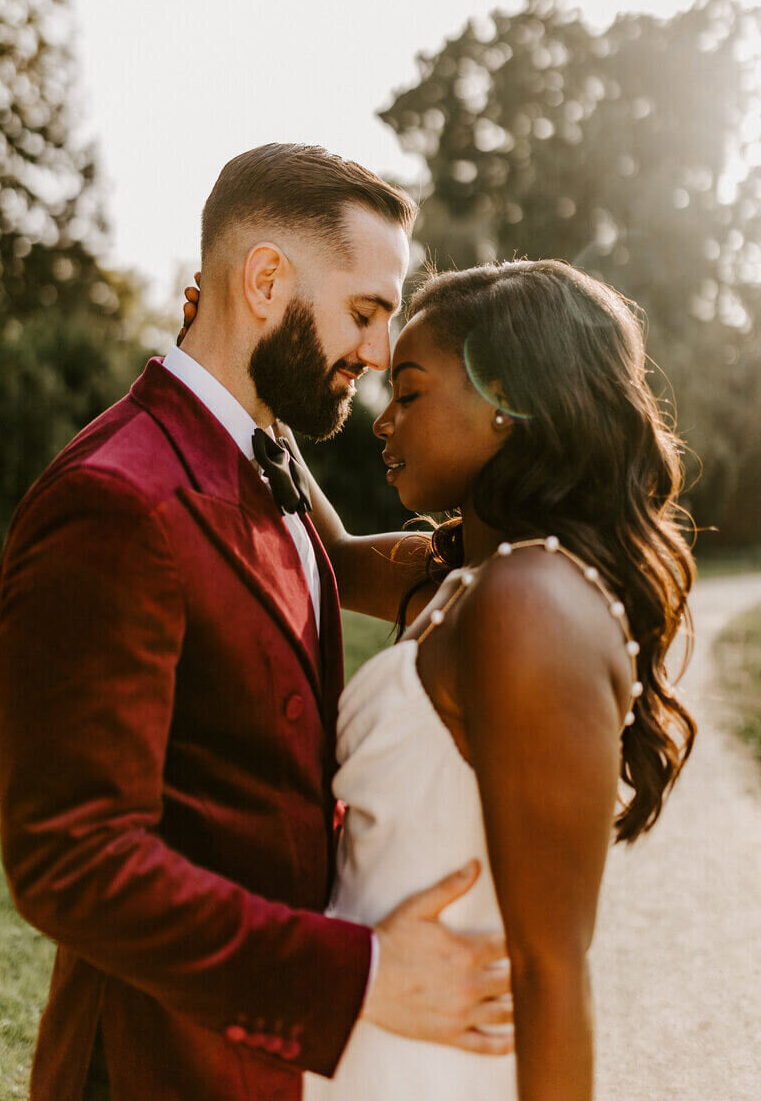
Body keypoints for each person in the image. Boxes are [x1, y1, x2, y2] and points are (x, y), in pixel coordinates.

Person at [0, 144, 514, 1101]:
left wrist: (544, 531)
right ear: (266, 281)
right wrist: (353, 978)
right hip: (160, 1067)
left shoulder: (260, 452)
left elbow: (343, 574)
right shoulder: (114, 503)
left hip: (267, 1068)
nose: (381, 350)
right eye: (365, 311)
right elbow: (69, 861)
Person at [183, 257, 697, 1100]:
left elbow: (552, 971)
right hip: (372, 1043)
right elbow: (335, 562)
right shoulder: (469, 577)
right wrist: (237, 368)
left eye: (411, 392)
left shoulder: (528, 605)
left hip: (435, 1072)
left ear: (510, 403)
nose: (383, 424)